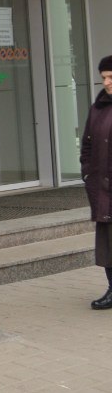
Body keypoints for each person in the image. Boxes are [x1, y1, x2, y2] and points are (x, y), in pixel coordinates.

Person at [82, 57, 112, 310]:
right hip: (103, 189)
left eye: (111, 77)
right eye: (103, 77)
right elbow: (87, 144)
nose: (106, 82)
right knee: (107, 245)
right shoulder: (98, 108)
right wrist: (87, 173)